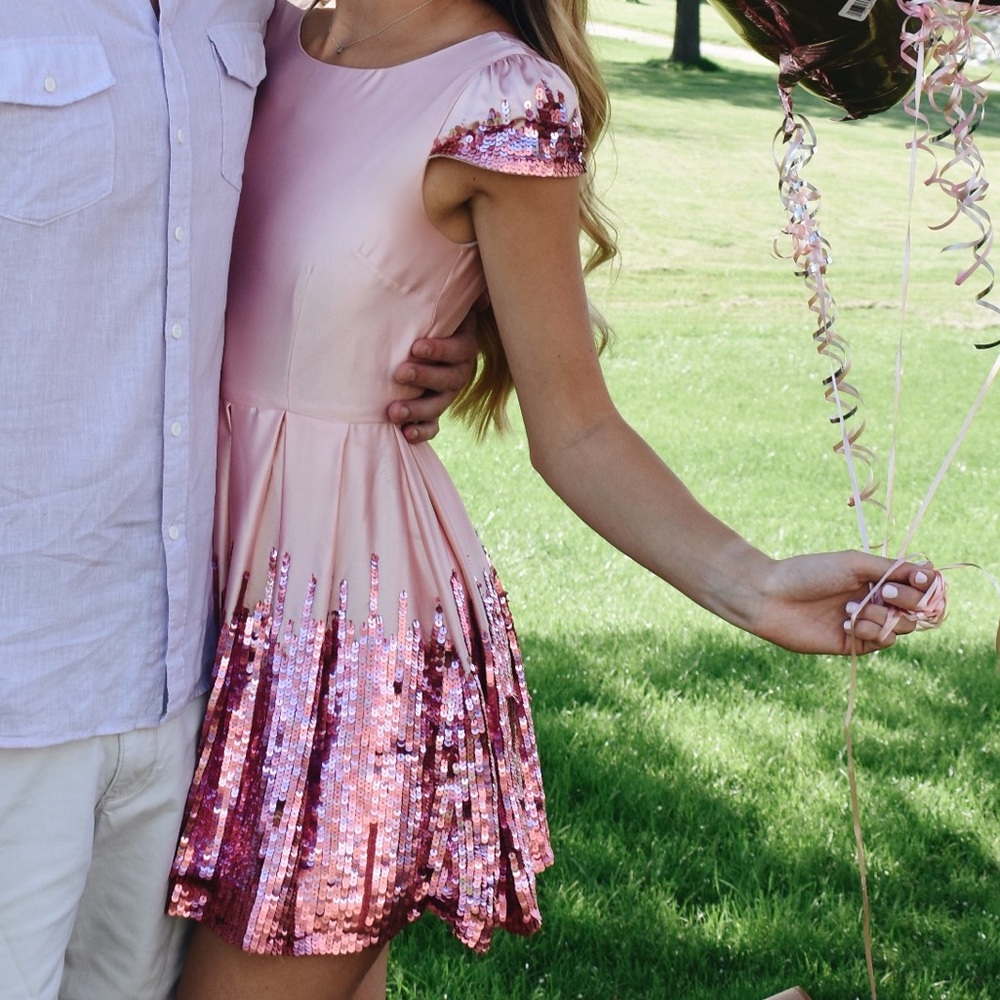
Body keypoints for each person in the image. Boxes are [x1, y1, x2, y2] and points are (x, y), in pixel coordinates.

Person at [163, 1, 941, 999]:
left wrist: (755, 585)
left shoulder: (503, 98)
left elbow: (574, 427)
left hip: (341, 648)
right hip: (181, 598)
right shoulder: (254, 28)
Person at [0, 4, 478, 999]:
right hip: (19, 679)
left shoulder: (249, 11)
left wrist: (437, 321)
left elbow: (350, 168)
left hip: (184, 679)